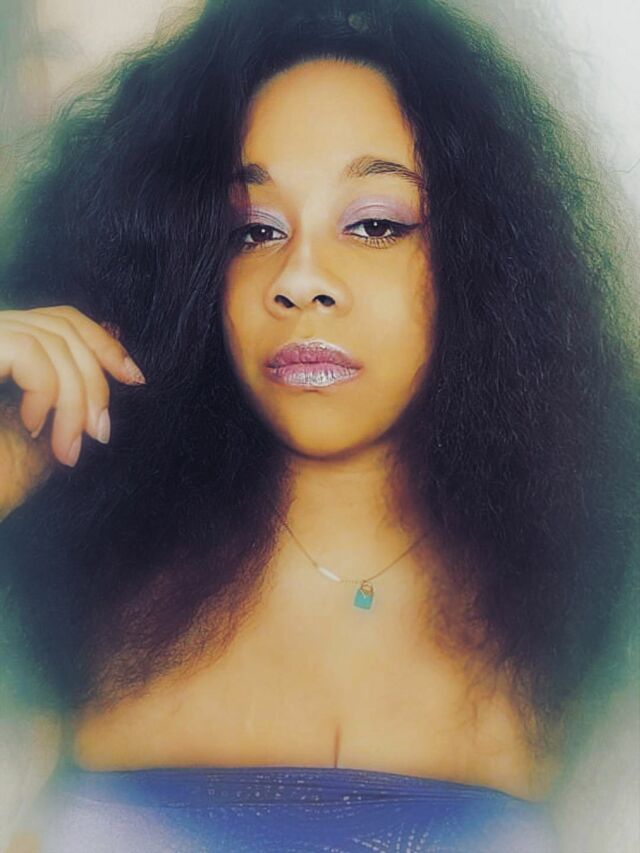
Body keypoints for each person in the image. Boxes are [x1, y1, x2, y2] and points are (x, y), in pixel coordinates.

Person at [0, 0, 637, 849]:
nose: (300, 279)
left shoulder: (599, 585)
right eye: (253, 230)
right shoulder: (67, 561)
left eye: (375, 224)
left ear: (486, 259)